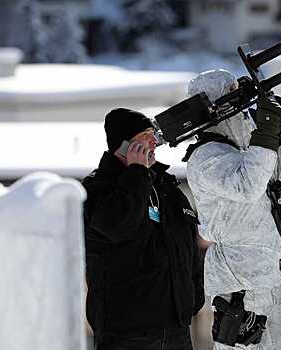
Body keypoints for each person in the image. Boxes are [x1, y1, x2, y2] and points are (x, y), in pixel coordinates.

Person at [184, 69, 281, 349]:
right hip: (241, 284)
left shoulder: (245, 152)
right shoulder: (205, 158)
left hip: (274, 276)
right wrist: (264, 135)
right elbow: (247, 185)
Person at [82, 108, 204, 350]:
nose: (154, 141)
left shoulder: (166, 187)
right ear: (124, 144)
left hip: (176, 330)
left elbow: (190, 246)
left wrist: (193, 298)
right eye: (145, 135)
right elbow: (118, 226)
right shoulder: (98, 188)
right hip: (127, 332)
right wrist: (136, 173)